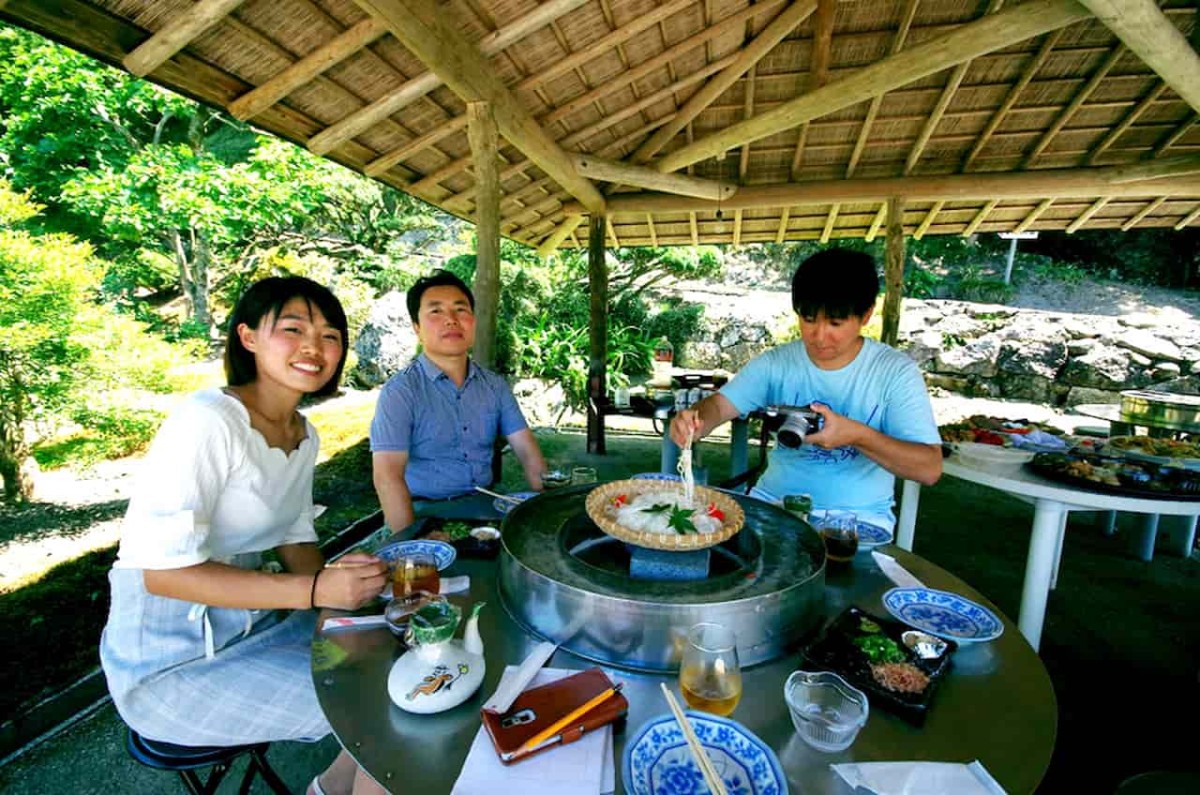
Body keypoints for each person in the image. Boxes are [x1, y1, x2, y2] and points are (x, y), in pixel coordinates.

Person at [99, 277, 390, 795]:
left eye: (330, 335)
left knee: (394, 658)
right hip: (172, 668)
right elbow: (163, 575)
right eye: (293, 328)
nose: (314, 347)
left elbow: (295, 537)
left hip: (258, 630)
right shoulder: (207, 420)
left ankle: (328, 789)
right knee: (380, 705)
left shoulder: (304, 432)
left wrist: (339, 592)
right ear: (249, 337)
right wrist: (317, 591)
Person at [670, 248, 942, 529]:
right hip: (774, 505)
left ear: (866, 315)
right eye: (809, 319)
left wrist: (858, 436)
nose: (819, 336)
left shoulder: (894, 372)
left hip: (857, 520)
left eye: (835, 323)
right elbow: (719, 405)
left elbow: (929, 468)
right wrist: (696, 419)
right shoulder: (777, 363)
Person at [370, 270, 547, 531]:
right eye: (436, 311)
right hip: (423, 512)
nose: (451, 320)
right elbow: (387, 477)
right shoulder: (400, 391)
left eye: (460, 309)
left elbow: (528, 454)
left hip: (486, 506)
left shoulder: (494, 386)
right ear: (417, 327)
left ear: (473, 320)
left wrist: (547, 507)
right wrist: (412, 543)